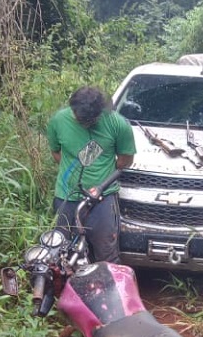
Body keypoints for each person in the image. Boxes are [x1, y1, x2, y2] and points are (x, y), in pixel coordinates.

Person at [46, 86, 136, 262]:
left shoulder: (117, 124)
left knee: (106, 252)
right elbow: (56, 154)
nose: (80, 121)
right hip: (67, 195)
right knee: (60, 251)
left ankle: (107, 286)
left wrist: (99, 175)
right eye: (77, 116)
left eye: (87, 120)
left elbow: (125, 161)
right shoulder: (58, 121)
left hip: (102, 197)